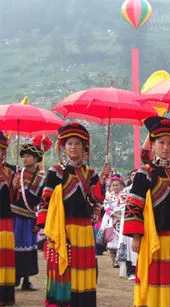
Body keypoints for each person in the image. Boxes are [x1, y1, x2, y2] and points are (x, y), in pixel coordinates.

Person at [123, 117, 170, 307]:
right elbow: (134, 205)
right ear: (153, 145)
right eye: (161, 142)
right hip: (153, 236)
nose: (165, 147)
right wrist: (137, 237)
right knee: (155, 279)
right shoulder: (144, 173)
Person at [36, 123, 110, 307]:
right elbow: (47, 197)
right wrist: (46, 226)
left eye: (78, 143)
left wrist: (101, 181)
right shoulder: (56, 171)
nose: (73, 147)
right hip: (62, 228)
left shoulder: (91, 173)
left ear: (84, 147)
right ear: (63, 147)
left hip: (84, 230)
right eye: (69, 143)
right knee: (63, 270)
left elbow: (96, 201)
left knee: (82, 271)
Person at [11, 136, 51, 291]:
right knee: (13, 247)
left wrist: (39, 222)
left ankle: (26, 279)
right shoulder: (17, 174)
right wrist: (14, 187)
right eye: (24, 156)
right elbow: (11, 196)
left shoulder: (43, 179)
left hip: (29, 218)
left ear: (35, 159)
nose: (25, 159)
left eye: (28, 156)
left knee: (28, 247)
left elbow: (43, 201)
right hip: (14, 216)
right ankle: (13, 277)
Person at [0, 131, 15, 306]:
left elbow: (15, 198)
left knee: (4, 258)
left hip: (4, 220)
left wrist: (16, 187)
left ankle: (4, 296)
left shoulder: (11, 172)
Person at [101, 176, 125, 267]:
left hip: (122, 220)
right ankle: (113, 260)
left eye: (117, 185)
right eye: (113, 185)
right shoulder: (109, 196)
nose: (115, 187)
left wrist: (121, 215)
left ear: (121, 186)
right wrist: (114, 215)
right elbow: (106, 207)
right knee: (111, 242)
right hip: (112, 221)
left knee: (121, 240)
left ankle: (119, 260)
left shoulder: (125, 195)